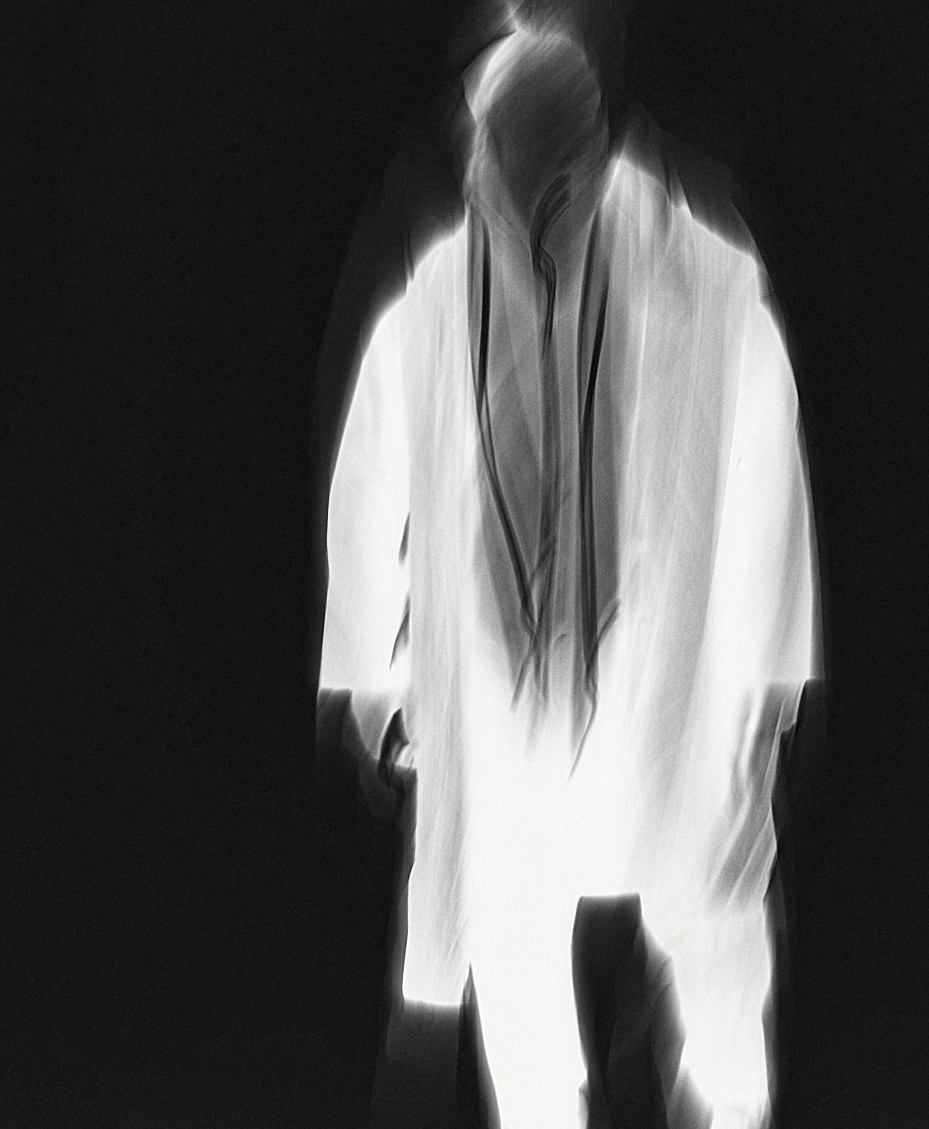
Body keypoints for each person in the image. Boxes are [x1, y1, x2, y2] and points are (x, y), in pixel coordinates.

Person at [318, 17, 819, 1129]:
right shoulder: (442, 294)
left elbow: (766, 479)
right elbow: (374, 477)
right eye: (501, 172)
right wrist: (375, 672)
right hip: (506, 681)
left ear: (590, 158)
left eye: (547, 175)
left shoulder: (706, 281)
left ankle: (728, 1112)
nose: (522, 198)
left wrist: (769, 675)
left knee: (711, 914)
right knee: (512, 924)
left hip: (670, 672)